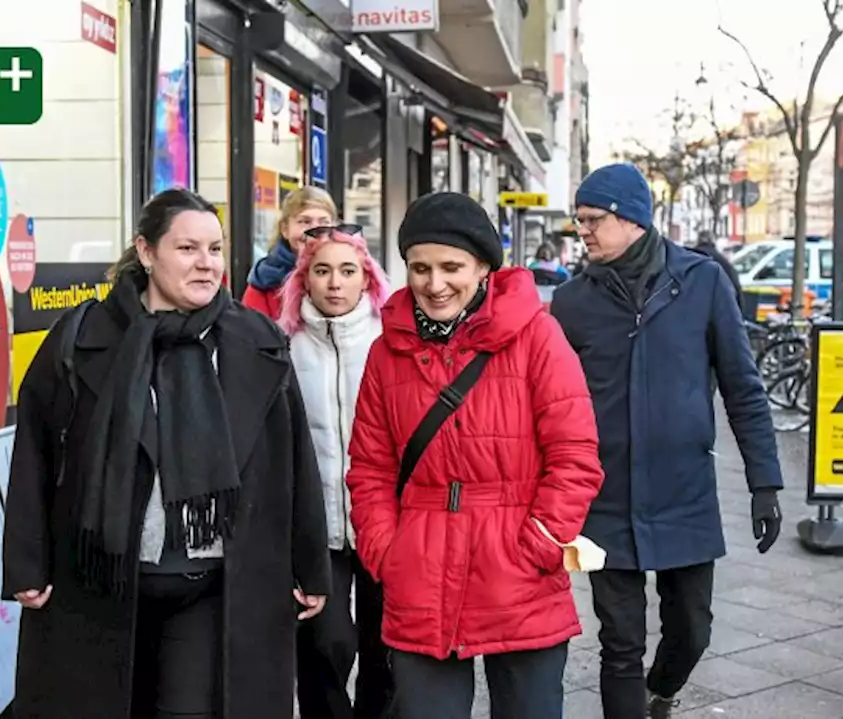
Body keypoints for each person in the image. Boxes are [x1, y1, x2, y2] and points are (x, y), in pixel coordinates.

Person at [2, 188, 332, 718]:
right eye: (187, 249)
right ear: (147, 250)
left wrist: (310, 565)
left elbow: (293, 461)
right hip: (100, 581)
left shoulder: (255, 340)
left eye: (215, 249)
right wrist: (25, 561)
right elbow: (35, 452)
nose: (206, 264)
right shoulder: (84, 335)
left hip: (213, 588)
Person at [346, 192, 605, 719]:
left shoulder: (537, 336)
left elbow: (575, 454)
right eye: (420, 268)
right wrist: (385, 550)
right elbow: (370, 467)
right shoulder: (386, 350)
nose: (434, 284)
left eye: (451, 267)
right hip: (420, 566)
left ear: (484, 267)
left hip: (518, 566)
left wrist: (541, 541)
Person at [550, 163, 784, 719]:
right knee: (619, 644)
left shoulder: (702, 282)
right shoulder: (571, 302)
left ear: (631, 218)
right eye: (578, 219)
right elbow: (550, 405)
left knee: (693, 630)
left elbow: (743, 387)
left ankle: (662, 689)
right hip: (605, 499)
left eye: (592, 220)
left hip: (684, 492)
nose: (582, 231)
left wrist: (765, 482)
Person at [277, 225, 394, 718]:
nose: (335, 283)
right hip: (316, 526)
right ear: (305, 279)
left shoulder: (390, 343)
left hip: (382, 521)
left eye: (348, 271)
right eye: (322, 271)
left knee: (384, 647)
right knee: (326, 643)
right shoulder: (283, 347)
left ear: (366, 279)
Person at [242, 186, 337, 320]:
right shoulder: (264, 280)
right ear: (285, 229)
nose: (315, 230)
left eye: (324, 222)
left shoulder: (352, 274)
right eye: (305, 221)